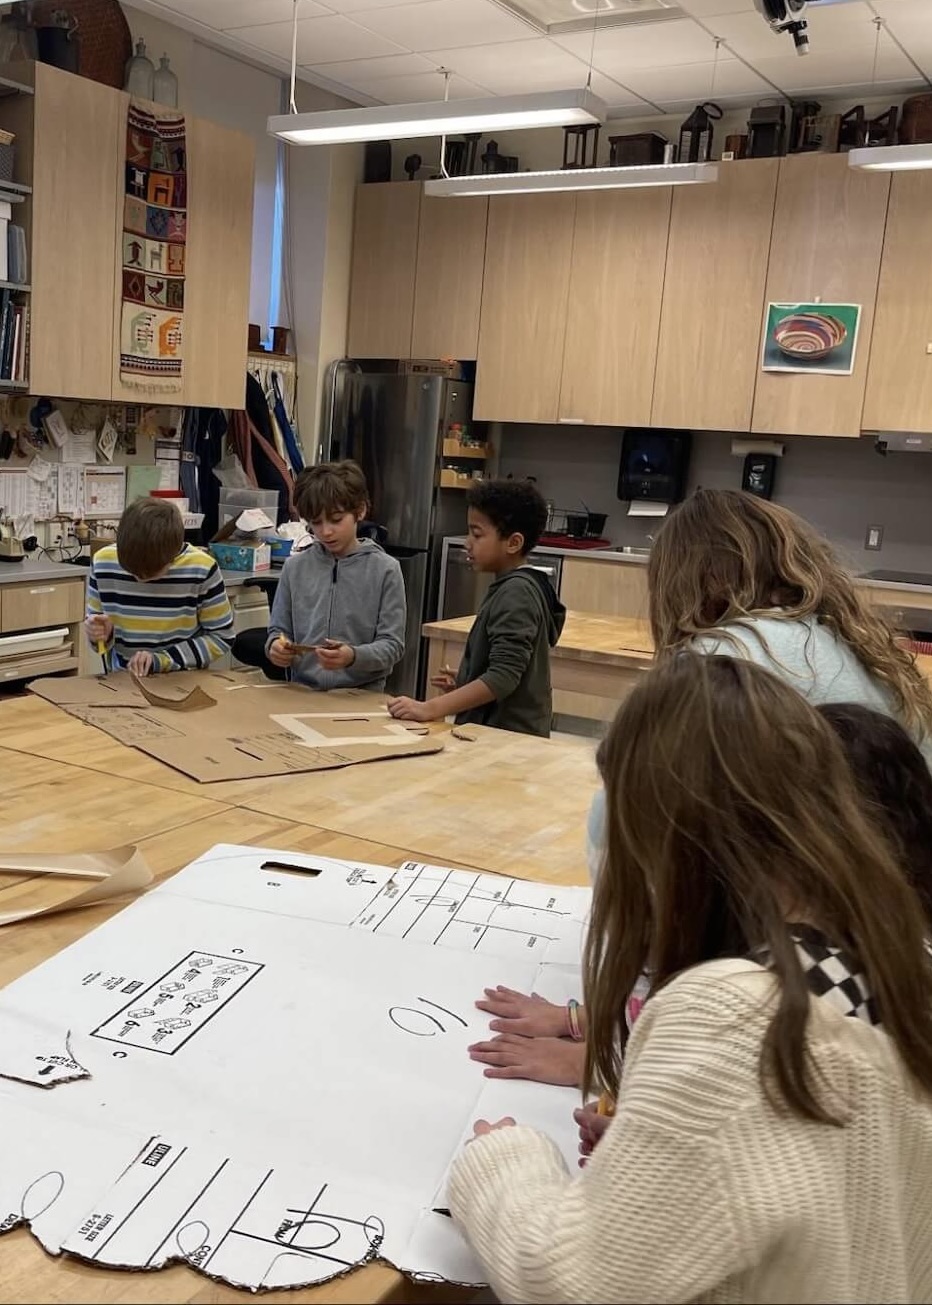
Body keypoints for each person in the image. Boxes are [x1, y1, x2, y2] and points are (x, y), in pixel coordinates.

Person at [448, 654, 932, 1303]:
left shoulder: (737, 1013)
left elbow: (563, 1279)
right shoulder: (903, 960)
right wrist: (663, 1149)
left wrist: (504, 1158)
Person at [388, 479, 565, 735]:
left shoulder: (516, 593)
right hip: (501, 734)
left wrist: (430, 708)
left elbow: (503, 677)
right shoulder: (517, 586)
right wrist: (467, 681)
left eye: (477, 534)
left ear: (513, 543)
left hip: (506, 741)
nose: (467, 542)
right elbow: (507, 673)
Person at [262, 460, 405, 691]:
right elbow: (277, 631)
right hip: (302, 693)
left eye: (336, 520)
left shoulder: (386, 570)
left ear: (360, 510)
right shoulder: (294, 568)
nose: (326, 531)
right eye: (316, 523)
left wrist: (354, 656)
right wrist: (275, 648)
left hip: (361, 696)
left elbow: (393, 646)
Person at [85, 497, 233, 676]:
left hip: (182, 679)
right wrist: (101, 635)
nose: (140, 578)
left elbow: (221, 637)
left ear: (173, 555)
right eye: (131, 570)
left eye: (151, 572)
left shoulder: (202, 569)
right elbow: (98, 635)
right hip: (123, 679)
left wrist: (162, 660)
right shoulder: (103, 563)